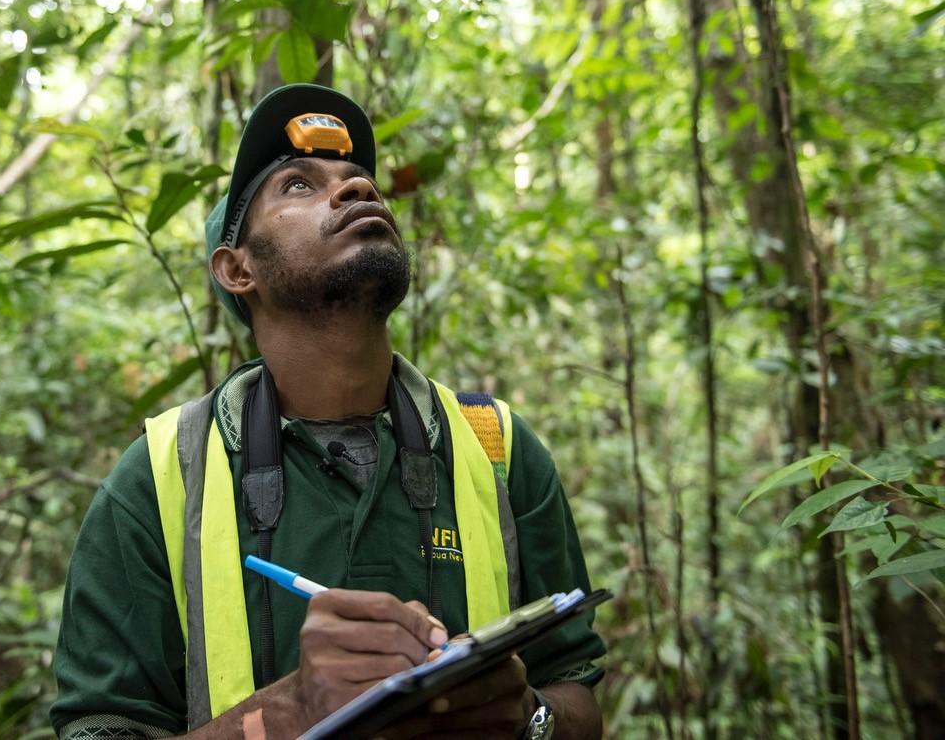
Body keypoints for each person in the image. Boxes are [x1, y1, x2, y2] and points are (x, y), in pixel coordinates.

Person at [51, 84, 606, 740]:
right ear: (237, 269)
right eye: (298, 185)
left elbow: (577, 689)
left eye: (359, 180)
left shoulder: (498, 448)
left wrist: (528, 718)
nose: (355, 190)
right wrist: (288, 712)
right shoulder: (160, 479)